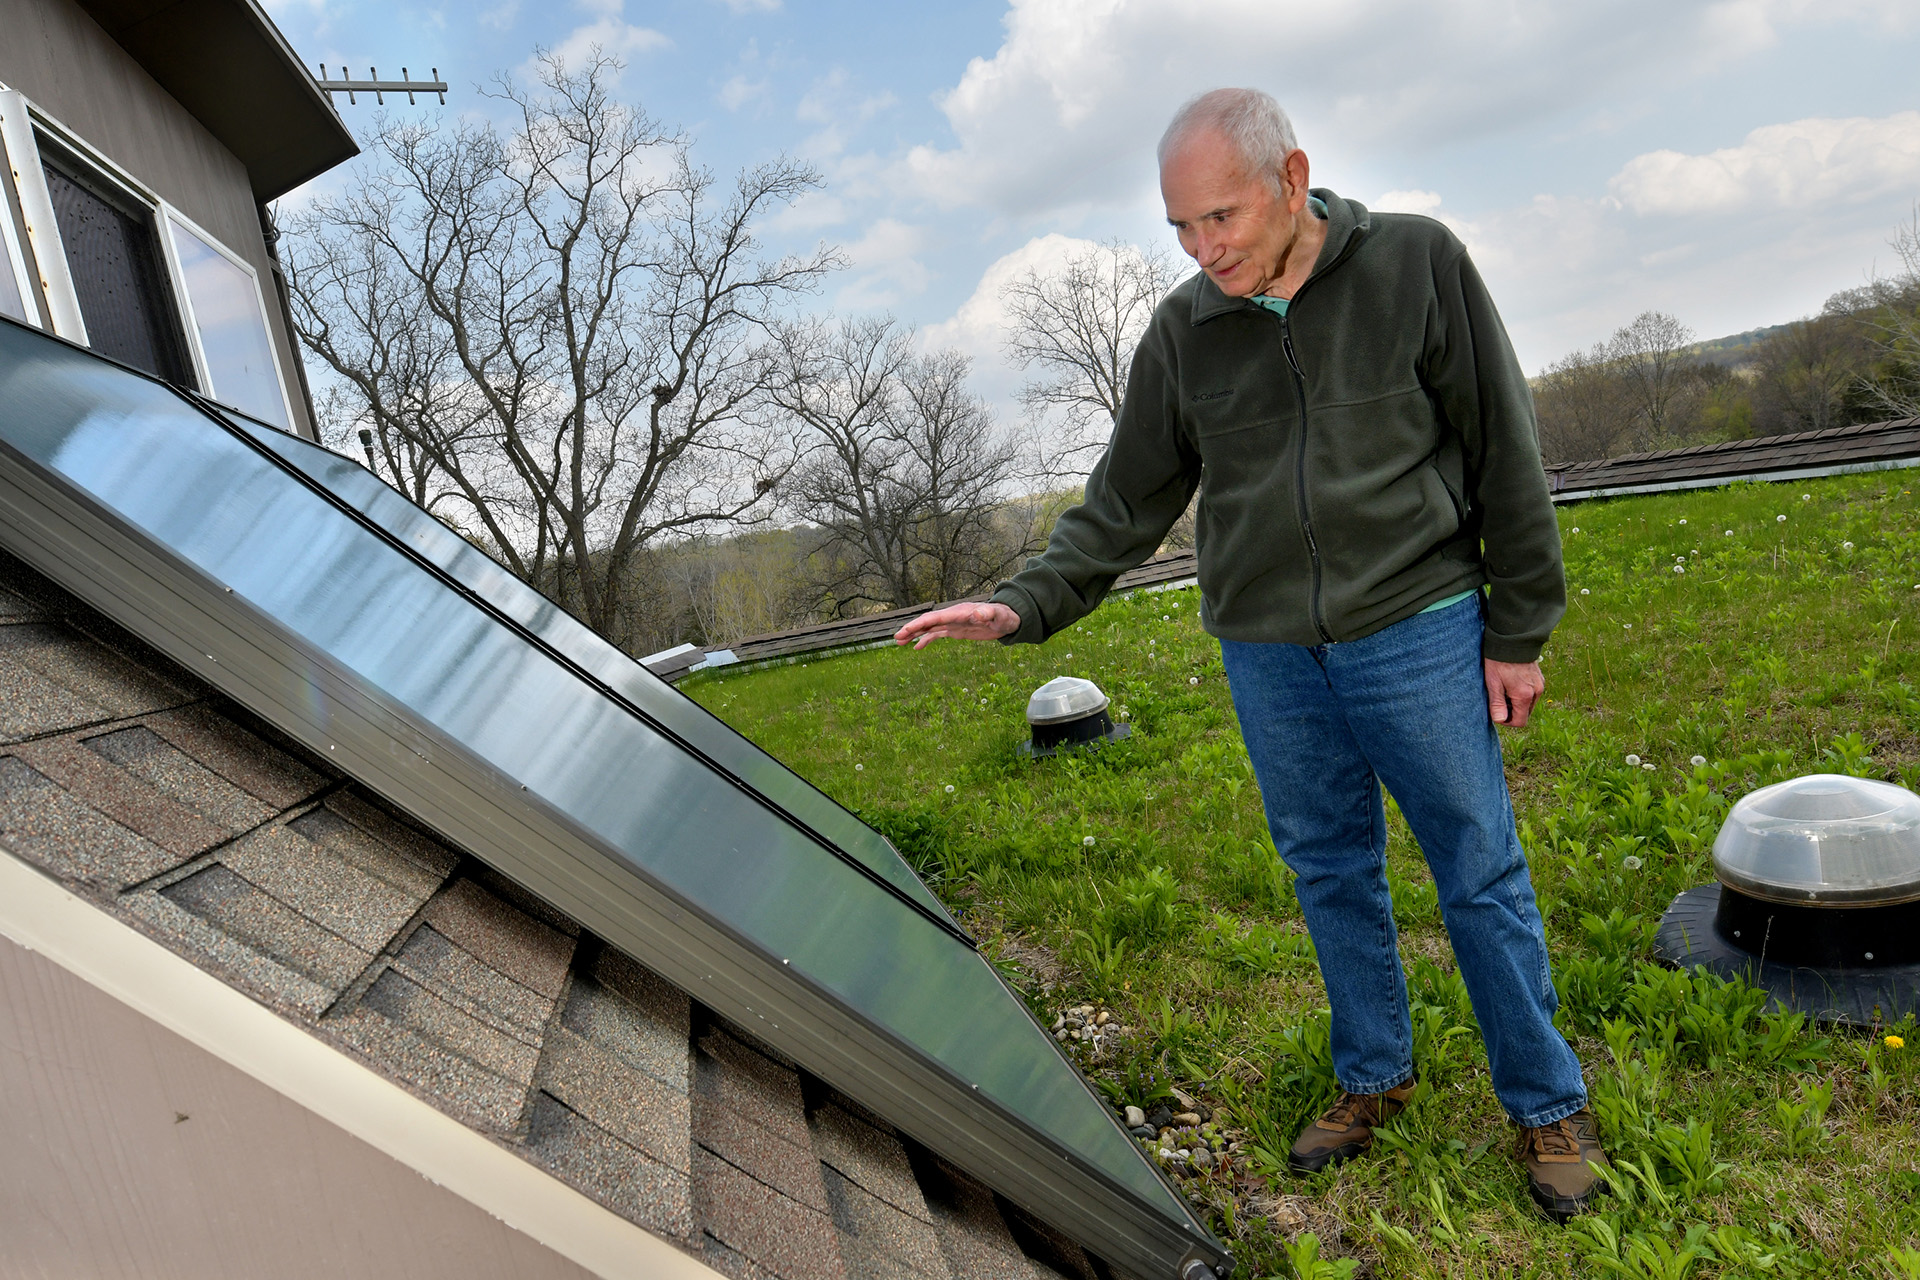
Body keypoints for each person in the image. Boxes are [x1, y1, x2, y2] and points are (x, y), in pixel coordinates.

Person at [894, 87, 1606, 1220]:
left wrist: (1516, 628)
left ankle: (1546, 1101)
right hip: (1271, 651)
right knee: (1328, 868)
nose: (1201, 247)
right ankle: (1375, 1074)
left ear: (1291, 178)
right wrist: (1026, 603)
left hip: (1416, 623)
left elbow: (1503, 450)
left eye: (1219, 217)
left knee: (1475, 866)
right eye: (1180, 226)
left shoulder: (1415, 264)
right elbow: (1120, 504)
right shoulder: (1186, 330)